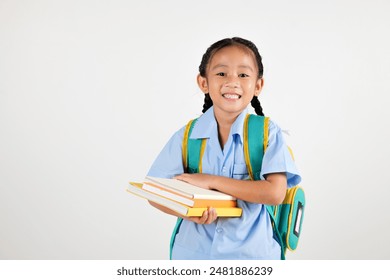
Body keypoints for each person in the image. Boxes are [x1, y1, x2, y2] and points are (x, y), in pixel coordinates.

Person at [147, 37, 301, 260]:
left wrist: (211, 181)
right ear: (203, 83)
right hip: (193, 254)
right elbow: (155, 192)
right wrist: (190, 214)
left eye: (243, 74)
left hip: (251, 257)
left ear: (258, 85)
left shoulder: (267, 133)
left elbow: (275, 193)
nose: (232, 82)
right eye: (221, 73)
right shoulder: (187, 135)